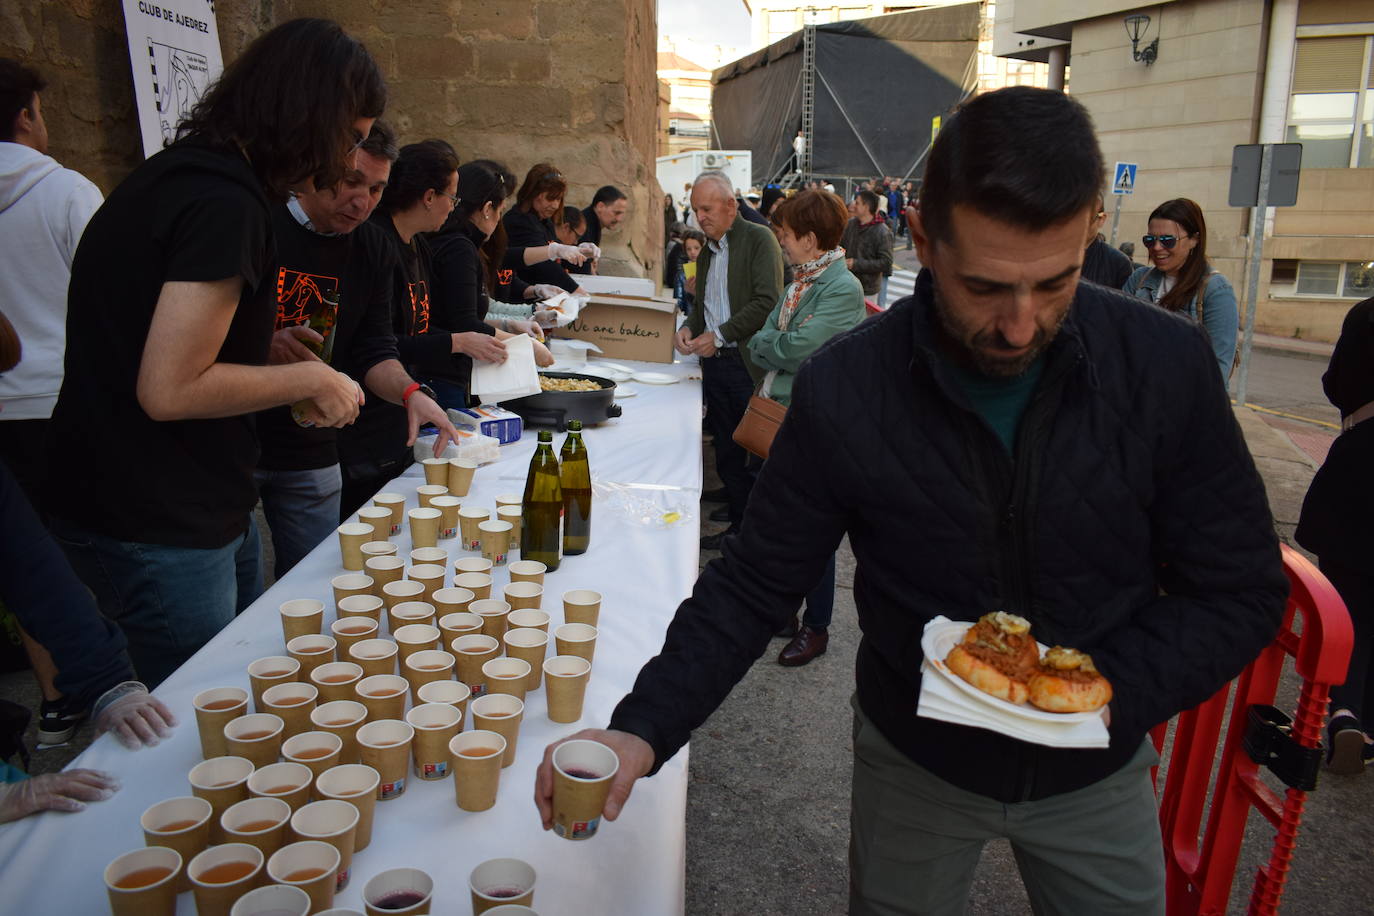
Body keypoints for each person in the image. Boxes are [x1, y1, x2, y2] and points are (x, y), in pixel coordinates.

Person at [536, 86, 1286, 915]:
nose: (1020, 324)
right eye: (986, 286)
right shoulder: (849, 386)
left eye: (1058, 281)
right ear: (923, 239)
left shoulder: (1164, 367)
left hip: (1098, 766)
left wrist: (1096, 695)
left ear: (1093, 229)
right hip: (916, 761)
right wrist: (640, 726)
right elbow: (756, 581)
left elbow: (1240, 587)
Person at [44, 19, 387, 689]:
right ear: (310, 115)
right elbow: (168, 387)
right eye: (350, 137)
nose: (347, 159)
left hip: (187, 502)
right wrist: (310, 375)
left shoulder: (184, 177)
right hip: (154, 515)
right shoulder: (223, 202)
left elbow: (155, 326)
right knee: (203, 727)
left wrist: (263, 346)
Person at [254, 123, 458, 580]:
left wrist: (411, 394)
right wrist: (262, 343)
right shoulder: (260, 221)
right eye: (351, 182)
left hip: (313, 445)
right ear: (318, 168)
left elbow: (375, 348)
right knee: (237, 600)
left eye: (376, 189)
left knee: (317, 579)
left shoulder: (371, 245)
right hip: (235, 438)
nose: (362, 201)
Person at [0, 58, 105, 743]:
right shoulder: (67, 192)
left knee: (22, 554)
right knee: (87, 554)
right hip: (66, 401)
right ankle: (106, 680)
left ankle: (57, 698)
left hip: (4, 408)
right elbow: (109, 304)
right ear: (26, 115)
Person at [746, 189, 864, 667]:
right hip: (779, 417)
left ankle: (817, 628)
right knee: (780, 526)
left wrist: (773, 342)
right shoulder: (802, 282)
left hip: (814, 425)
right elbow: (767, 339)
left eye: (787, 236)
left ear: (811, 240)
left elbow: (795, 349)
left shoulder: (840, 288)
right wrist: (775, 341)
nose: (783, 244)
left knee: (812, 532)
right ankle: (788, 613)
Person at [337, 138, 473, 512]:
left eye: (376, 189)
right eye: (452, 197)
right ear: (429, 196)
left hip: (398, 414)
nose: (453, 207)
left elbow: (411, 332)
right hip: (364, 425)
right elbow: (379, 344)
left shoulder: (418, 245)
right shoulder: (375, 243)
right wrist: (456, 343)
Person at [674, 170, 783, 550]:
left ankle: (752, 535)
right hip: (715, 364)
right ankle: (738, 525)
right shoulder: (707, 250)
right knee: (726, 449)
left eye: (706, 209)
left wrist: (716, 335)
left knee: (752, 454)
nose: (700, 217)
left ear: (731, 206)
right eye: (695, 210)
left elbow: (766, 301)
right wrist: (689, 327)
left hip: (746, 364)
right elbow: (703, 306)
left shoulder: (758, 239)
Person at [1295, 296, 1374, 773]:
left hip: (1359, 470)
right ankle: (1367, 729)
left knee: (1351, 612)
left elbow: (1335, 384)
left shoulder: (1365, 315)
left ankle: (1343, 711)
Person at [428, 158, 555, 411]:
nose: (499, 220)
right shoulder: (459, 248)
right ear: (487, 208)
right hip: (442, 375)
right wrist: (521, 343)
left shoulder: (457, 243)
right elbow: (464, 323)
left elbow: (464, 309)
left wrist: (508, 323)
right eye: (500, 211)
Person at [1122, 198, 1238, 380]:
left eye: (1168, 240)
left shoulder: (1215, 290)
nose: (1157, 248)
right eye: (1150, 240)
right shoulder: (1139, 278)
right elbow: (1117, 337)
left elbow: (1217, 371)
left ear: (1194, 240)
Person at [501, 163, 588, 295]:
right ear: (533, 194)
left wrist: (581, 252)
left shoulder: (544, 221)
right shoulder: (519, 222)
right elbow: (544, 265)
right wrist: (576, 291)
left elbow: (556, 251)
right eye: (550, 198)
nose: (555, 205)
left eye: (558, 199)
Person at [842, 190, 893, 301]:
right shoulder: (850, 224)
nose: (853, 205)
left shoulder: (882, 232)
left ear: (866, 207)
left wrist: (856, 264)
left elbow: (886, 263)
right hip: (847, 286)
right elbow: (840, 247)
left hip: (867, 290)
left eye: (857, 203)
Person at [1080, 195, 1133, 288]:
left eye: (1087, 218)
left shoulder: (1118, 263)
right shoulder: (1049, 254)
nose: (1078, 225)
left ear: (1101, 219)